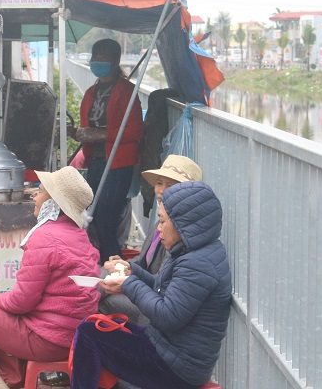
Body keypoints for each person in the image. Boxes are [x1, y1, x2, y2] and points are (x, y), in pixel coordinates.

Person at [69, 180, 231, 389]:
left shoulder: (197, 264)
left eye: (163, 222)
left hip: (176, 367)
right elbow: (163, 288)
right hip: (168, 349)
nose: (159, 229)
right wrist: (132, 270)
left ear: (183, 224)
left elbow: (167, 315)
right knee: (95, 327)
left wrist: (128, 285)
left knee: (90, 335)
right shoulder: (193, 251)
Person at [0, 167, 100, 389]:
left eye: (40, 192)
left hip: (48, 340)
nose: (34, 197)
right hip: (74, 335)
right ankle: (12, 378)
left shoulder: (45, 237)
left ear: (53, 204)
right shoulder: (80, 235)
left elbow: (22, 302)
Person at [99, 154, 202, 324]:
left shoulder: (178, 232)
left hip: (152, 304)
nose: (161, 191)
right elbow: (142, 261)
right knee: (103, 272)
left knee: (102, 294)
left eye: (170, 186)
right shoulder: (159, 223)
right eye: (159, 183)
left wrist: (127, 282)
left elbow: (161, 283)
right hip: (147, 292)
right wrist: (125, 266)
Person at [67, 38, 145, 262]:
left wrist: (100, 134)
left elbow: (135, 132)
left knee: (106, 221)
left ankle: (117, 271)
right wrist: (76, 133)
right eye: (95, 57)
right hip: (97, 162)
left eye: (103, 57)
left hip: (118, 165)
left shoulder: (127, 91)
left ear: (114, 60)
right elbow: (88, 129)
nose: (97, 62)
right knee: (90, 218)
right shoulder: (91, 92)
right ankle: (101, 266)